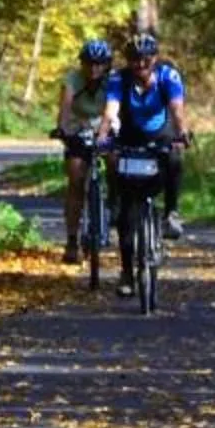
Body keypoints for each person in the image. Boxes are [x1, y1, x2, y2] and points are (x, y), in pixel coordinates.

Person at [95, 29, 191, 240]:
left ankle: (171, 212)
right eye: (134, 60)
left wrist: (182, 133)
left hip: (161, 132)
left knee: (174, 159)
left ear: (154, 58)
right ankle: (115, 200)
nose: (140, 64)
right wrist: (102, 135)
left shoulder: (168, 76)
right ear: (128, 61)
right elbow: (111, 110)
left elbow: (177, 109)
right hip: (130, 131)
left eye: (145, 59)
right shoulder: (119, 78)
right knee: (112, 158)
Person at [52, 36, 118, 263]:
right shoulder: (73, 78)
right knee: (76, 177)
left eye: (99, 63)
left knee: (114, 161)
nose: (94, 68)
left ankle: (114, 199)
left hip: (105, 126)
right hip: (78, 127)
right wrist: (62, 128)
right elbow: (66, 106)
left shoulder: (113, 81)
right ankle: (72, 240)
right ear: (82, 63)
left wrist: (106, 131)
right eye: (89, 63)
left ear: (107, 65)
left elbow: (113, 109)